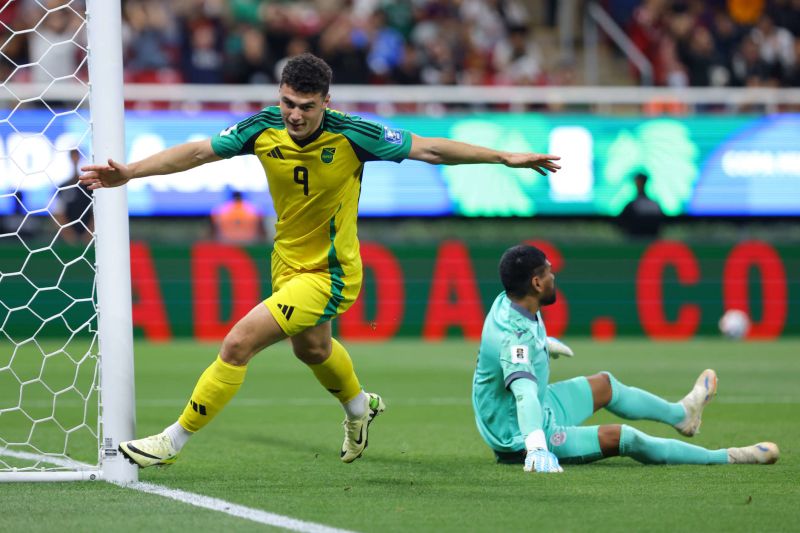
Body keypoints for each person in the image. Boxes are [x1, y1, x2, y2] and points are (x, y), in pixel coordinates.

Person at [79, 53, 561, 468]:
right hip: (286, 263)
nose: (294, 115)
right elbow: (200, 151)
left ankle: (172, 440)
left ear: (325, 102)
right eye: (288, 103)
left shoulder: (355, 134)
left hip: (330, 274)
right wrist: (131, 173)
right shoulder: (262, 127)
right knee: (311, 349)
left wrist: (503, 158)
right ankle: (358, 407)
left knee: (238, 344)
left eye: (306, 107)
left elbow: (431, 148)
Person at [472, 244, 779, 473]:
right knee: (626, 438)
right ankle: (728, 456)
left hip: (542, 405)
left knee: (605, 384)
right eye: (549, 271)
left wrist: (543, 344)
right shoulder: (514, 336)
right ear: (537, 284)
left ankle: (681, 415)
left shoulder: (511, 300)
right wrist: (537, 447)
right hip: (518, 432)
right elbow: (524, 393)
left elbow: (514, 346)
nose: (554, 276)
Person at [55, 149, 94, 244]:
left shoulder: (88, 185)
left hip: (89, 238)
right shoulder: (62, 187)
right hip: (67, 240)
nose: (75, 159)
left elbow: (96, 212)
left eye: (77, 156)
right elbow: (58, 214)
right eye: (73, 156)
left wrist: (89, 234)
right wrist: (69, 235)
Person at [617, 172, 664, 238]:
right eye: (637, 182)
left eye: (639, 182)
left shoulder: (653, 204)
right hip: (634, 241)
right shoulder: (631, 205)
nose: (638, 184)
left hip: (649, 241)